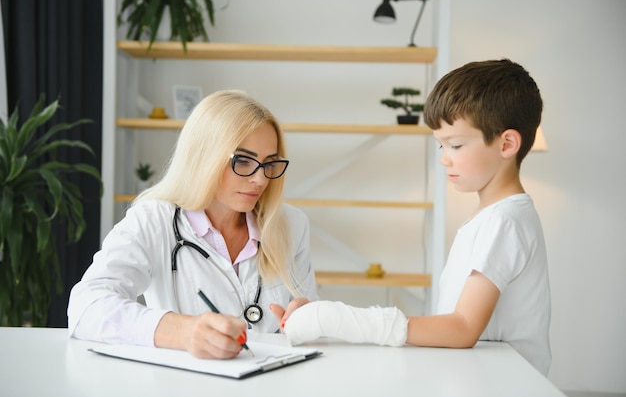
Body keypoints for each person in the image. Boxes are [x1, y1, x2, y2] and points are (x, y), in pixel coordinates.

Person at [278, 59, 552, 375]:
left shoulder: (504, 222)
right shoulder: (492, 216)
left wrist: (334, 319)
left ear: (506, 144)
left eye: (456, 145)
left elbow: (463, 328)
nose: (444, 159)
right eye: (440, 146)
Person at [68, 90, 318, 359]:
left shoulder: (292, 224)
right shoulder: (153, 220)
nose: (260, 179)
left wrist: (310, 318)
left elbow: (307, 316)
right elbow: (86, 307)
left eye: (269, 163)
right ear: (204, 156)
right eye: (243, 161)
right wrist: (182, 331)